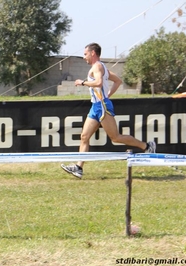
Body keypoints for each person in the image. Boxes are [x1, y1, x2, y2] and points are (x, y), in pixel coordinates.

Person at [61, 43, 156, 178]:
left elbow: (99, 83)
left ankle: (146, 146)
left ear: (93, 53)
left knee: (115, 137)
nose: (84, 57)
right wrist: (107, 95)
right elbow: (118, 81)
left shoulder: (98, 66)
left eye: (85, 54)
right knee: (84, 136)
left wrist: (83, 83)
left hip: (102, 106)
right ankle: (78, 168)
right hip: (96, 106)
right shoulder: (100, 67)